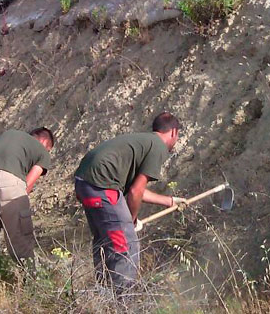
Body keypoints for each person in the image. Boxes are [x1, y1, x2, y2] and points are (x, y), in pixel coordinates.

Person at [73, 112, 186, 290]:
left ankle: (103, 295)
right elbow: (135, 191)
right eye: (178, 136)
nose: (176, 140)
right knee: (126, 243)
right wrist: (131, 221)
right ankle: (123, 301)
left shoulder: (142, 141)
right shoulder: (158, 147)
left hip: (85, 184)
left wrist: (170, 201)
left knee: (105, 240)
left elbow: (137, 189)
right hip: (102, 186)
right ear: (173, 132)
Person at [0, 127, 55, 263]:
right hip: (9, 178)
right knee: (18, 228)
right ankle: (27, 272)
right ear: (45, 141)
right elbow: (28, 183)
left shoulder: (7, 135)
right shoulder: (42, 151)